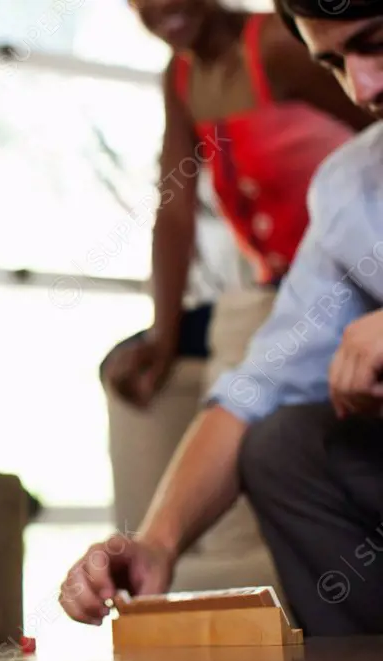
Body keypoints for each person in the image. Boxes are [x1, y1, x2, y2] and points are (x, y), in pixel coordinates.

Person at [61, 0, 383, 637]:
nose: (363, 87)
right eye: (336, 64)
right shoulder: (351, 189)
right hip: (259, 282)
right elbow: (256, 389)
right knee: (282, 446)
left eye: (374, 43)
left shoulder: (267, 51)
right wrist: (156, 543)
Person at [105, 0, 374, 409]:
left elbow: (375, 132)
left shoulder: (282, 46)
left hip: (344, 273)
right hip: (276, 284)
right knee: (124, 362)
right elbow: (174, 213)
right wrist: (162, 337)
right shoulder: (180, 77)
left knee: (255, 400)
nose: (157, 5)